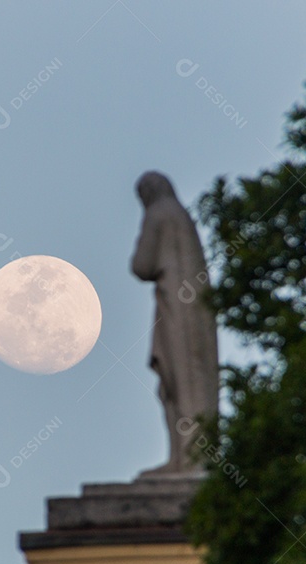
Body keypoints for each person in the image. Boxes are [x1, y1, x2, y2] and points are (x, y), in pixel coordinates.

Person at [131, 171, 219, 478]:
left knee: (180, 384)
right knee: (184, 383)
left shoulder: (158, 213)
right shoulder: (182, 216)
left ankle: (190, 460)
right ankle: (186, 458)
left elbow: (141, 265)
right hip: (193, 311)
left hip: (176, 310)